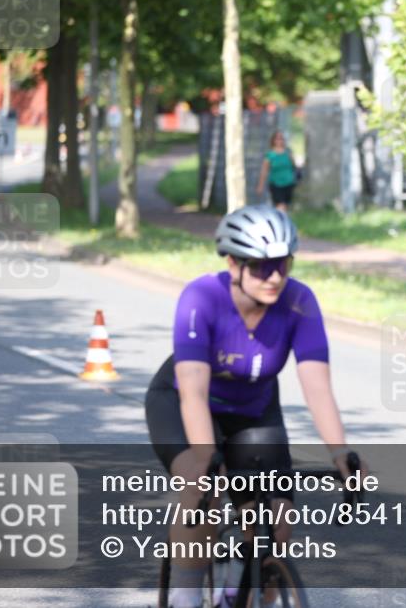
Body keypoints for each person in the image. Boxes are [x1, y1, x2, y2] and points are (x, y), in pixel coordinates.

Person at [146, 205, 363, 608]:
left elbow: (317, 388)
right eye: (262, 267)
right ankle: (184, 596)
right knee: (203, 488)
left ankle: (236, 590)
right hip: (182, 403)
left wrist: (339, 454)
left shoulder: (299, 302)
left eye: (282, 264)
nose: (275, 276)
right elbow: (192, 392)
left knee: (276, 521)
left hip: (253, 412)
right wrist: (207, 458)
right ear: (233, 263)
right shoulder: (200, 298)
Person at [256, 130, 297, 213]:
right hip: (276, 184)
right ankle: (281, 223)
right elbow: (264, 171)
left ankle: (284, 222)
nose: (279, 141)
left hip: (288, 183)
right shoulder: (270, 155)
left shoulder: (288, 152)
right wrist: (260, 185)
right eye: (277, 139)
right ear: (273, 140)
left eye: (281, 139)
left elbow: (294, 167)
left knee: (285, 206)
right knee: (280, 206)